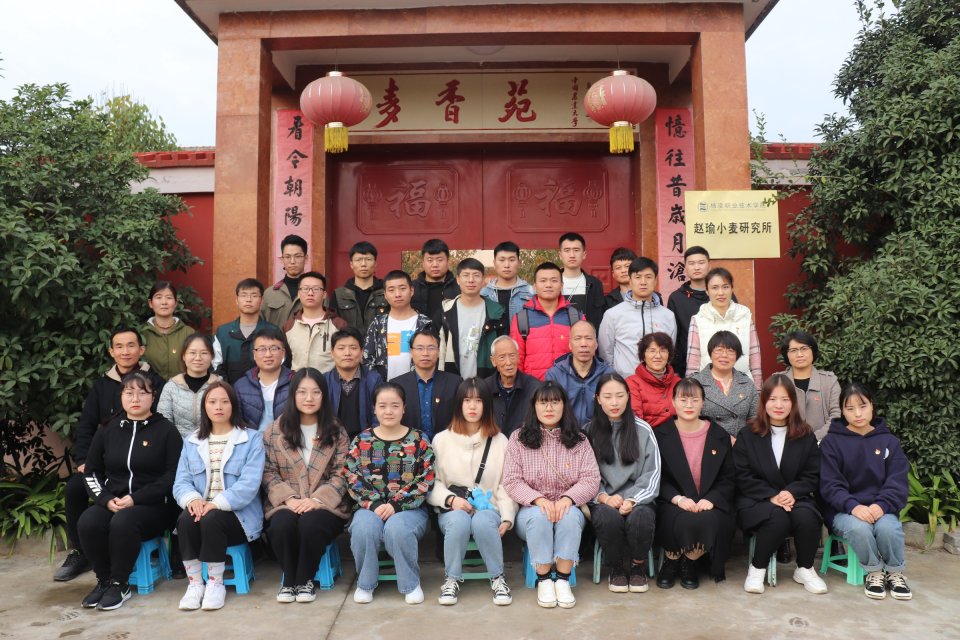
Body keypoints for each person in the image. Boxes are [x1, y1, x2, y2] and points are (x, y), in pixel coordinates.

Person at [57, 327, 165, 583]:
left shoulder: (155, 382)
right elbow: (86, 425)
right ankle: (80, 552)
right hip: (108, 463)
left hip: (141, 464)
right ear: (111, 351)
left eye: (131, 345)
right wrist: (84, 461)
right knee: (75, 487)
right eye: (119, 346)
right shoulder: (101, 385)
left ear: (141, 350)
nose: (125, 351)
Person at [77, 372, 182, 611]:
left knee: (123, 522)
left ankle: (119, 583)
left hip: (154, 507)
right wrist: (105, 499)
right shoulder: (107, 430)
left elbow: (173, 476)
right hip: (114, 501)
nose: (135, 399)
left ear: (153, 397)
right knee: (88, 521)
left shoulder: (166, 431)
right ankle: (104, 580)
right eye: (129, 393)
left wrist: (136, 499)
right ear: (121, 396)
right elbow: (91, 472)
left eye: (142, 393)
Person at [502, 382, 601, 609]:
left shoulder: (579, 440)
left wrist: (568, 499)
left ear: (564, 406)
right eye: (543, 402)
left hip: (569, 506)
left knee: (569, 516)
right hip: (531, 511)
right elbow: (511, 480)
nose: (549, 408)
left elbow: (591, 479)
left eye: (555, 402)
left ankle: (563, 580)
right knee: (540, 517)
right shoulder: (518, 439)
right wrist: (539, 500)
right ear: (534, 406)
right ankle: (545, 580)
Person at [172, 381, 265, 611]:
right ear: (204, 407)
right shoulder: (192, 441)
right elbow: (181, 481)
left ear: (234, 405)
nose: (219, 407)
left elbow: (249, 485)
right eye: (212, 402)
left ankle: (215, 583)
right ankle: (195, 583)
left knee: (211, 519)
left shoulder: (251, 439)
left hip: (237, 515)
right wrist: (193, 500)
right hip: (201, 511)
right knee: (185, 519)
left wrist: (215, 504)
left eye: (225, 401)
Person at [262, 368, 351, 603]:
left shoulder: (336, 431)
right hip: (287, 502)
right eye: (302, 392)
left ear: (324, 396)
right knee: (281, 525)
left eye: (315, 392)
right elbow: (268, 471)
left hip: (325, 504)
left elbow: (343, 472)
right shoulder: (275, 431)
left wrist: (316, 500)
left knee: (311, 524)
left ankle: (303, 580)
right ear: (293, 395)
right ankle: (289, 578)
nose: (309, 398)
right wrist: (289, 499)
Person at [733, 374, 827, 595]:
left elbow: (812, 474)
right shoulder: (748, 434)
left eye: (785, 399)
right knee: (777, 517)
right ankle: (757, 568)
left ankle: (805, 568)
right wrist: (771, 496)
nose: (778, 405)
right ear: (764, 401)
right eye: (773, 399)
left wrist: (792, 492)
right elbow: (741, 474)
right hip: (756, 499)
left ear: (793, 402)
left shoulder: (804, 434)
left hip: (795, 497)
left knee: (807, 517)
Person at [428, 379, 517, 606]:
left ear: (487, 405)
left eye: (478, 400)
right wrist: (450, 499)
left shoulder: (500, 441)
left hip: (489, 507)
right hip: (453, 508)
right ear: (459, 404)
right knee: (458, 520)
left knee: (484, 520)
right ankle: (451, 579)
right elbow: (432, 482)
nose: (472, 406)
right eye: (467, 400)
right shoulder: (441, 440)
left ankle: (497, 578)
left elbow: (506, 484)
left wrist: (507, 517)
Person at [820, 383, 912, 601]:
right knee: (859, 528)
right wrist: (853, 506)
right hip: (844, 511)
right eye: (850, 408)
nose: (858, 414)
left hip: (882, 508)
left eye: (863, 406)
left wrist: (881, 505)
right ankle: (875, 572)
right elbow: (829, 484)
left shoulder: (889, 442)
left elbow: (897, 481)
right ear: (842, 411)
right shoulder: (831, 443)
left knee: (889, 528)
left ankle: (895, 572)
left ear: (872, 406)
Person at [345, 383, 435, 605]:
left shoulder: (419, 440)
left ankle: (410, 584)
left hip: (410, 509)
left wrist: (396, 505)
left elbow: (426, 478)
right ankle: (365, 583)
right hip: (369, 508)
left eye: (395, 405)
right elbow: (352, 476)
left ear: (404, 408)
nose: (388, 411)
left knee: (398, 529)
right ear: (374, 408)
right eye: (382, 405)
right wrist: (375, 505)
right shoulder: (362, 441)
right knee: (363, 528)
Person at [654, 378, 736, 590]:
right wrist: (678, 499)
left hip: (708, 500)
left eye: (694, 400)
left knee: (709, 519)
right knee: (675, 518)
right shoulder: (660, 434)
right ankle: (672, 559)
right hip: (672, 499)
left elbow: (728, 477)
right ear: (673, 402)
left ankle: (690, 561)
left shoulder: (719, 435)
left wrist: (712, 499)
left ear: (703, 403)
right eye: (683, 399)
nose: (689, 405)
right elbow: (656, 475)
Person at [582, 374, 660, 593]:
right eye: (607, 397)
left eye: (619, 395)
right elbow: (582, 476)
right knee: (607, 517)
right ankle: (616, 567)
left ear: (628, 396)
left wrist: (632, 499)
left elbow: (652, 474)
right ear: (598, 399)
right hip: (604, 500)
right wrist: (604, 497)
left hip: (639, 500)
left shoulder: (643, 430)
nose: (614, 402)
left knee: (641, 517)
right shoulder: (588, 432)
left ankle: (637, 566)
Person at [598, 257, 677, 378]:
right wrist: (615, 379)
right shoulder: (613, 314)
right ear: (630, 280)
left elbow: (669, 352)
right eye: (638, 277)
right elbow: (605, 353)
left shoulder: (668, 316)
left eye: (648, 277)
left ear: (656, 280)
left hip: (658, 382)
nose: (643, 282)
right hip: (625, 382)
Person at [687, 267, 762, 389]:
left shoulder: (745, 316)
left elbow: (755, 357)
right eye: (714, 288)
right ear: (707, 291)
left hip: (743, 387)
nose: (720, 293)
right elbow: (692, 363)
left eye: (725, 287)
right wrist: (692, 392)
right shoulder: (698, 320)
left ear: (732, 289)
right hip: (707, 388)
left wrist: (757, 390)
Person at [667, 246, 734, 377]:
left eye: (701, 263)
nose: (696, 267)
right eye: (692, 263)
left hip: (726, 364)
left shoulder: (723, 295)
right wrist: (675, 369)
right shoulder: (676, 298)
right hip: (688, 367)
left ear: (709, 265)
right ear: (685, 267)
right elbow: (675, 336)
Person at [436, 257, 507, 379]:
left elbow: (503, 350)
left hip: (487, 380)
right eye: (466, 275)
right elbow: (439, 350)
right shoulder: (445, 311)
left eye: (476, 275)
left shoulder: (497, 312)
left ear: (483, 280)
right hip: (452, 380)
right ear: (458, 280)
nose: (471, 280)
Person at [510, 261, 581, 380]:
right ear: (535, 286)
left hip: (569, 386)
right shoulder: (522, 318)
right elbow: (517, 358)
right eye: (543, 281)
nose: (548, 285)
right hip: (534, 386)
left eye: (554, 280)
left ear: (561, 285)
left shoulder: (575, 317)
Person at [362, 270, 433, 381]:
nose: (398, 294)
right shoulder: (378, 324)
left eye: (403, 288)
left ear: (411, 291)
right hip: (384, 387)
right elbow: (367, 359)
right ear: (385, 295)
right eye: (391, 290)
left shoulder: (425, 324)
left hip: (417, 385)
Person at [394, 329, 462, 441]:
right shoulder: (397, 385)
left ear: (438, 351)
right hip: (408, 446)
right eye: (419, 348)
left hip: (446, 445)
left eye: (431, 348)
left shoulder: (455, 383)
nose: (425, 353)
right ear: (411, 352)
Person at [690, 331, 759, 439]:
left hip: (741, 443)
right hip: (707, 443)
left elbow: (755, 418)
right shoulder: (695, 383)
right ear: (710, 353)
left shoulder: (747, 383)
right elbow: (691, 420)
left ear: (737, 356)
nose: (724, 355)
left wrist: (744, 442)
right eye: (719, 350)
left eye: (730, 351)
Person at [544, 320, 612, 425]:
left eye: (588, 338)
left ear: (596, 344)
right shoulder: (555, 375)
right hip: (565, 432)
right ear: (570, 344)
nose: (583, 344)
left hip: (599, 432)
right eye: (578, 338)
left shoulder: (608, 374)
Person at [212, 278, 280, 384]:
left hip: (265, 391)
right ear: (237, 300)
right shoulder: (223, 332)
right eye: (244, 295)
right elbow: (216, 366)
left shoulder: (273, 331)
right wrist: (228, 389)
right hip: (229, 392)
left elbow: (280, 364)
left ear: (261, 301)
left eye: (254, 295)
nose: (248, 299)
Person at [780, 330, 841, 441]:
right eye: (793, 350)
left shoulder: (829, 381)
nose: (799, 354)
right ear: (786, 354)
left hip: (824, 443)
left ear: (813, 351)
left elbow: (836, 415)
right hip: (787, 443)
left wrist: (813, 438)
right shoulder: (778, 381)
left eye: (804, 349)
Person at [323, 328, 383, 439]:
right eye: (341, 348)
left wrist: (370, 439)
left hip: (366, 441)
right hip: (332, 441)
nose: (347, 353)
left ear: (361, 351)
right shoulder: (324, 381)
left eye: (353, 348)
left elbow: (379, 415)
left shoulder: (374, 380)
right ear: (332, 352)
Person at [158, 333, 221, 438]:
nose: (198, 358)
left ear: (212, 356)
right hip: (178, 444)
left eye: (204, 353)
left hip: (212, 443)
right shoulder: (171, 387)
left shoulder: (220, 386)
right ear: (183, 356)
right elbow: (164, 423)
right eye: (192, 353)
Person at [284, 271, 346, 373]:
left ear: (324, 294)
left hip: (328, 382)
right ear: (298, 294)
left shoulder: (338, 325)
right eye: (305, 289)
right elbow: (287, 357)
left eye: (316, 289)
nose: (310, 293)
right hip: (297, 381)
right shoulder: (289, 326)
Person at [234, 326, 295, 430]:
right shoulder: (240, 386)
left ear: (283, 353)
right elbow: (236, 423)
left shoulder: (296, 382)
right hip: (251, 439)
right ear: (254, 354)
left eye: (274, 349)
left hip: (287, 439)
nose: (268, 354)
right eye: (262, 349)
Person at [482, 336, 541, 436]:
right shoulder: (484, 388)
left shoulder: (534, 388)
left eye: (512, 356)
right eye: (502, 357)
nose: (508, 362)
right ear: (493, 361)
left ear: (518, 357)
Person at [328, 241, 387, 336]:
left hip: (380, 344)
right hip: (349, 344)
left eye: (368, 259)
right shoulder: (339, 294)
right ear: (351, 264)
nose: (363, 264)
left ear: (375, 263)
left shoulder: (386, 292)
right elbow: (332, 325)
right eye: (358, 260)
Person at [142, 281, 195, 380]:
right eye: (158, 297)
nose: (164, 302)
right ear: (150, 303)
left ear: (176, 303)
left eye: (169, 297)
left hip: (182, 387)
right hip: (148, 388)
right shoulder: (142, 333)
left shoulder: (189, 333)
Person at [626, 332, 681, 428]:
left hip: (677, 434)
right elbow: (635, 420)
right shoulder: (632, 383)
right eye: (652, 351)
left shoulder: (679, 383)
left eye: (663, 351)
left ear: (669, 355)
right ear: (643, 355)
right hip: (648, 434)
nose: (658, 356)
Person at [557, 232, 606, 329]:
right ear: (560, 255)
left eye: (576, 250)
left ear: (584, 254)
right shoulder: (552, 283)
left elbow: (599, 317)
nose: (572, 255)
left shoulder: (594, 284)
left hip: (586, 336)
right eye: (567, 250)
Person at [480, 240, 534, 323]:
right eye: (502, 260)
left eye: (511, 260)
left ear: (519, 263)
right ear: (494, 263)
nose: (507, 265)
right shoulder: (483, 294)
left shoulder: (531, 293)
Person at [262, 234, 308, 328]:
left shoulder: (317, 292)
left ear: (306, 258)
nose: (292, 261)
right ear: (282, 259)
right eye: (287, 257)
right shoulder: (269, 294)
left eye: (297, 256)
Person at [411, 238, 460, 319]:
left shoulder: (459, 288)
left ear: (448, 261)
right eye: (430, 260)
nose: (435, 265)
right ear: (423, 263)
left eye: (440, 260)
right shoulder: (411, 288)